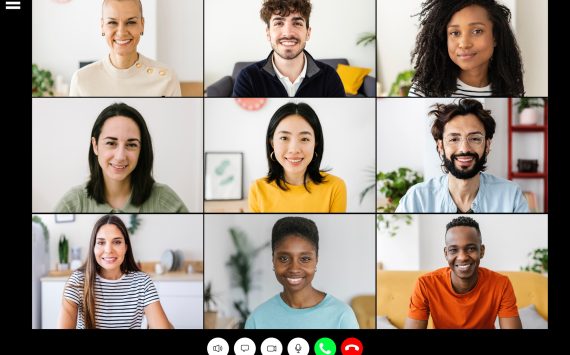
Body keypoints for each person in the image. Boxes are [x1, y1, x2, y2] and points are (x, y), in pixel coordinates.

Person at [396, 99, 529, 213]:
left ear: (487, 145)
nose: (464, 149)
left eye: (475, 139)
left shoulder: (511, 196)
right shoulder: (417, 198)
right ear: (440, 146)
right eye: (454, 139)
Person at [55, 102, 188, 212]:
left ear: (141, 149)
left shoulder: (164, 199)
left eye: (131, 145)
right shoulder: (72, 203)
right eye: (111, 143)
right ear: (95, 146)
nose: (120, 156)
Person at [405, 216, 523, 329]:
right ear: (446, 253)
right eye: (453, 250)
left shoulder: (501, 284)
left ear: (481, 251)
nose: (462, 257)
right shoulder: (425, 284)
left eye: (470, 248)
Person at [58, 215, 173, 329]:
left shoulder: (142, 282)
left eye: (117, 242)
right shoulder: (78, 281)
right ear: (93, 248)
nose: (108, 250)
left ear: (126, 247)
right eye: (101, 243)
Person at [245, 216, 359, 329]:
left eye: (305, 259)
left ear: (316, 260)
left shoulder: (342, 316)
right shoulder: (258, 319)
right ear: (273, 259)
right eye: (284, 258)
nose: (294, 269)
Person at [408, 0, 524, 97]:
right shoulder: (424, 92)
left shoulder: (510, 90)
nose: (464, 44)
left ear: (495, 37)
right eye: (455, 33)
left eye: (477, 31)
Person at [232, 0, 345, 97]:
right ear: (268, 33)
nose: (288, 33)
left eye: (297, 23)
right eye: (279, 23)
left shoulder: (330, 77)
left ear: (308, 33)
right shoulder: (248, 78)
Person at [248, 102, 347, 212]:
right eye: (284, 138)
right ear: (272, 143)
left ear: (315, 143)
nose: (294, 149)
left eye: (304, 139)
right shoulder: (257, 189)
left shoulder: (335, 187)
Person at [69, 0, 181, 96]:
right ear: (102, 26)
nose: (121, 33)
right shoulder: (81, 80)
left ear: (142, 25)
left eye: (131, 22)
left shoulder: (166, 79)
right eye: (112, 22)